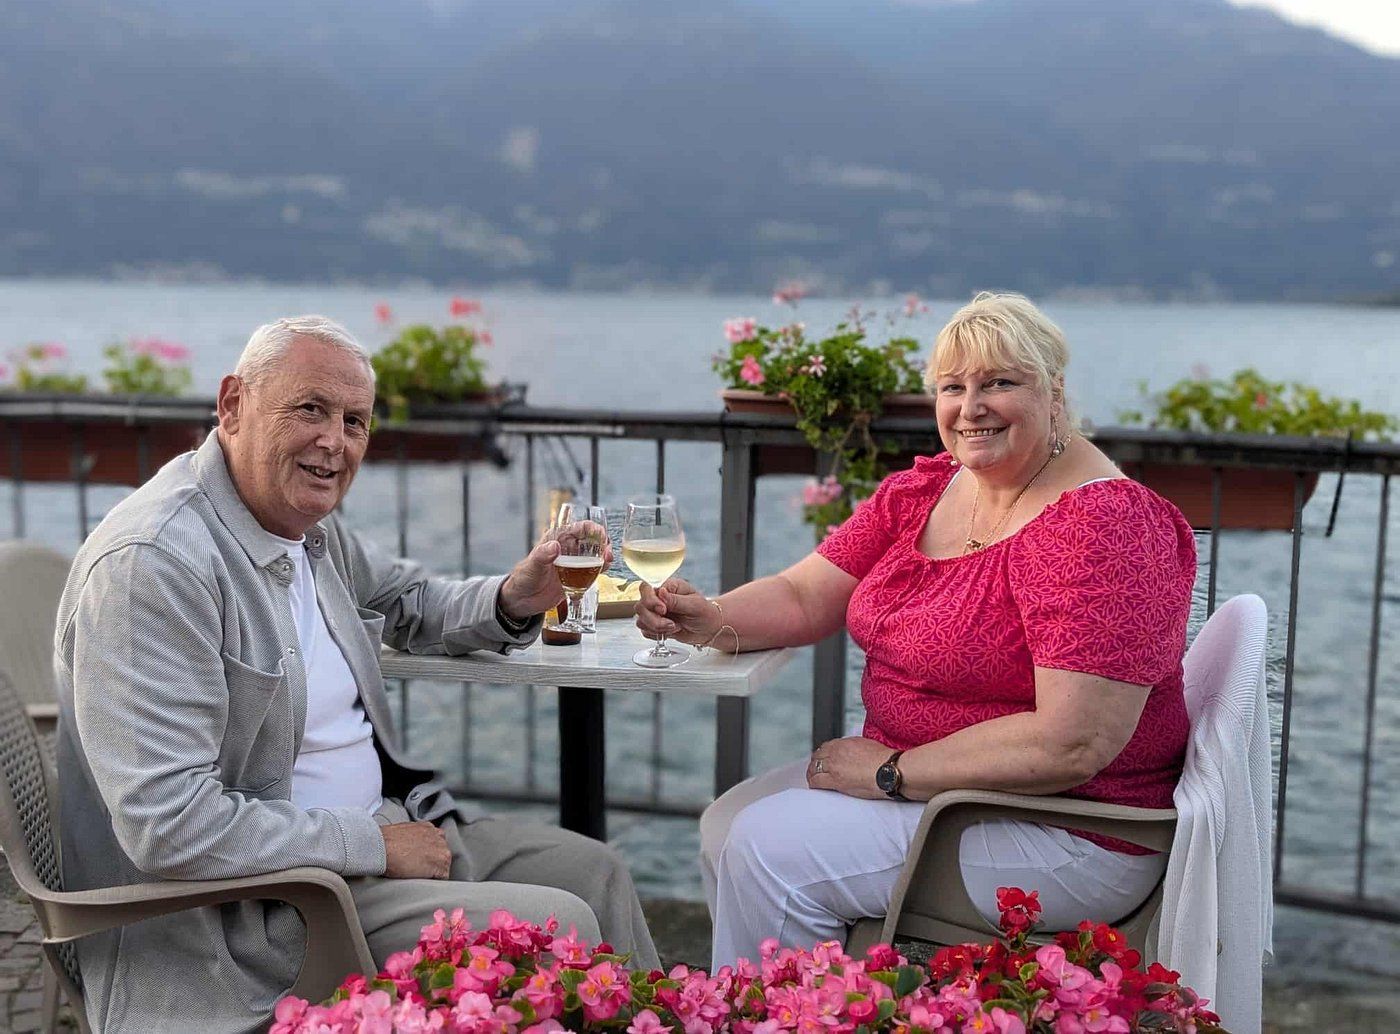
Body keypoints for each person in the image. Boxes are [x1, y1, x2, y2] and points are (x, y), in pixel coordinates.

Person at [55, 316, 659, 1034]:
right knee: (562, 924)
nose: (333, 443)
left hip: (372, 844)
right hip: (256, 912)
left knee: (597, 872)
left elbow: (410, 598)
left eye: (355, 422)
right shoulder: (154, 564)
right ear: (232, 405)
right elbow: (169, 827)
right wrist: (371, 844)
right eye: (309, 409)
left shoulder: (303, 528)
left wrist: (513, 597)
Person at [637, 291, 1196, 967]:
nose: (971, 408)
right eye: (952, 388)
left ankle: (795, 1012)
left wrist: (892, 773)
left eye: (999, 383)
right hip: (954, 795)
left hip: (1067, 826)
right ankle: (837, 1000)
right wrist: (709, 618)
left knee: (766, 849)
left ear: (1054, 392)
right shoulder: (931, 488)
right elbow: (804, 594)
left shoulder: (1101, 526)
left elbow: (1072, 741)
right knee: (724, 826)